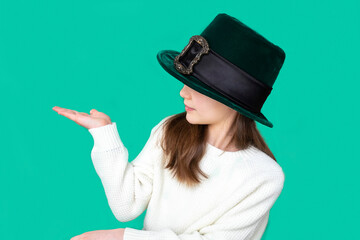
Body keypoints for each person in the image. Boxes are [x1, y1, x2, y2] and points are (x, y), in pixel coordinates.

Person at [53, 13, 286, 240]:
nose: (183, 93)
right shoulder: (171, 131)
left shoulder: (264, 176)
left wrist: (121, 237)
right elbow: (126, 205)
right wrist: (104, 135)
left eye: (199, 86)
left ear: (233, 100)